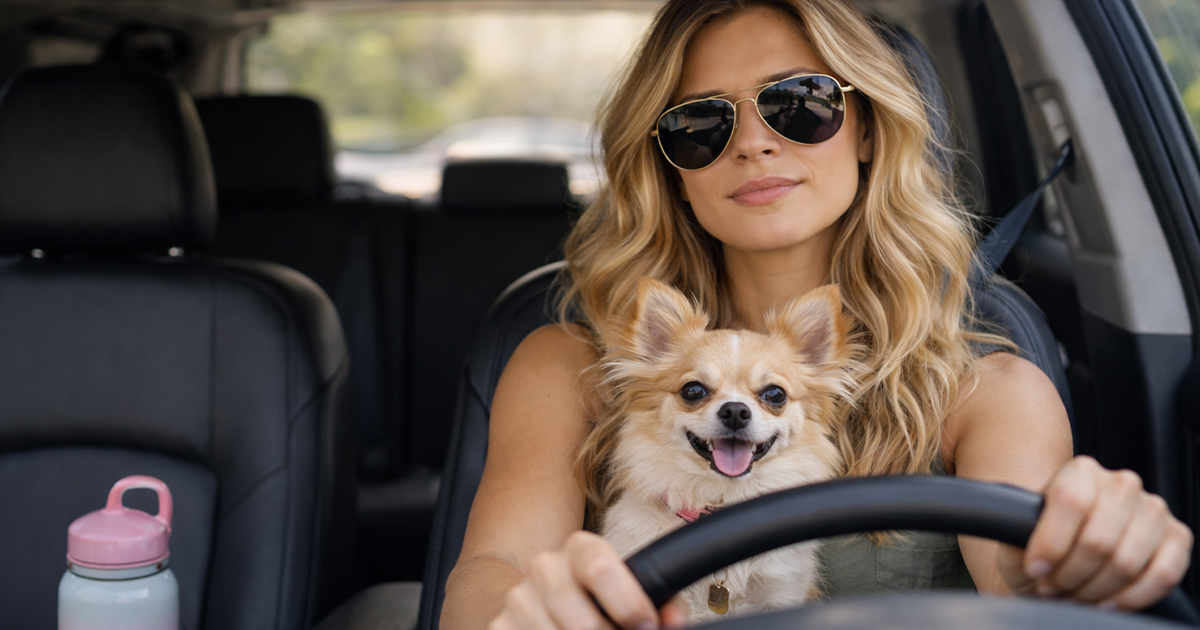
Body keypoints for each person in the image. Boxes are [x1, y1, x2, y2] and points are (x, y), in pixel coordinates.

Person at [442, 1, 1194, 628]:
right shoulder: (568, 361)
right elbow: (492, 571)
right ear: (671, 170)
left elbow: (1024, 584)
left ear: (866, 126)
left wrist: (1086, 556)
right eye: (702, 126)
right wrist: (523, 615)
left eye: (799, 103)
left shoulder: (986, 390)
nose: (754, 143)